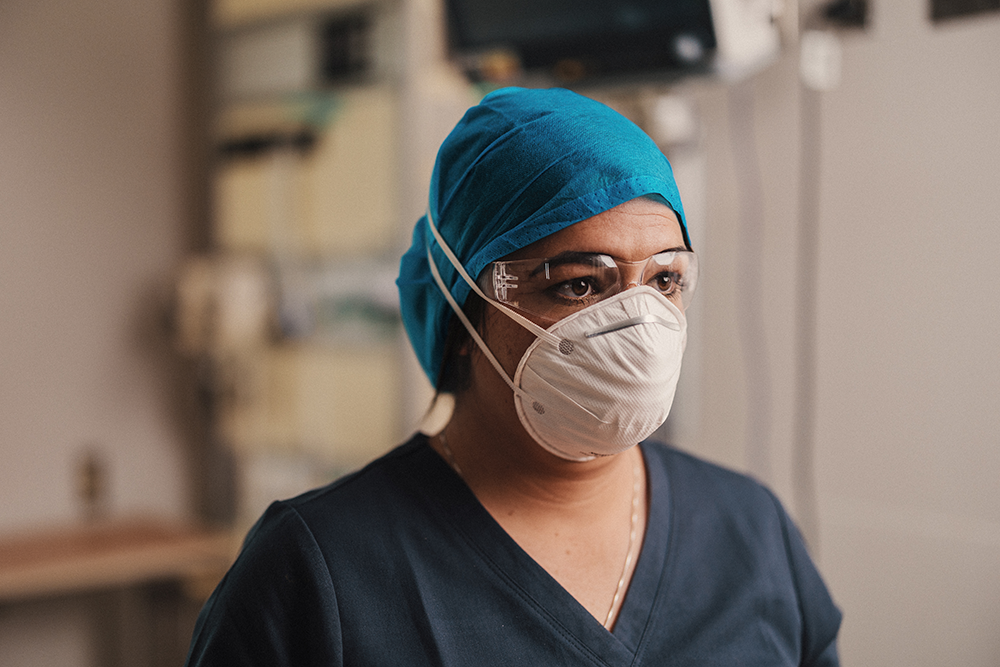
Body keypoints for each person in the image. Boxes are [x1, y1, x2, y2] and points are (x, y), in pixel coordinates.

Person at [185, 87, 841, 666]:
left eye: (665, 279)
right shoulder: (319, 574)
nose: (642, 323)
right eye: (581, 283)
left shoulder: (752, 534)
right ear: (466, 310)